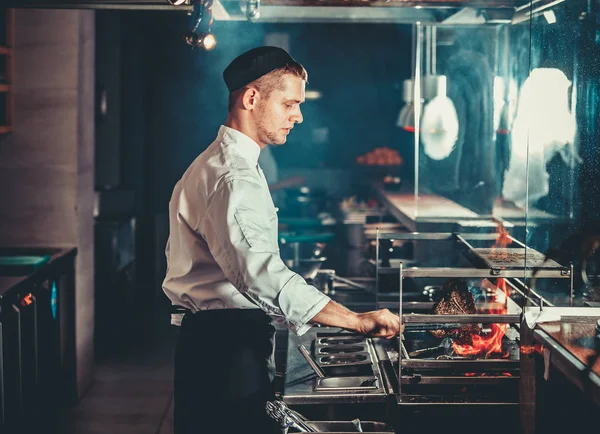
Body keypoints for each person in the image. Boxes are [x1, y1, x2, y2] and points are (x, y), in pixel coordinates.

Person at [162, 46, 402, 434]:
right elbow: (261, 276)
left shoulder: (223, 163)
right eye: (290, 103)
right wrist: (355, 321)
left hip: (217, 342)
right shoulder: (231, 176)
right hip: (225, 351)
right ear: (251, 98)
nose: (299, 116)